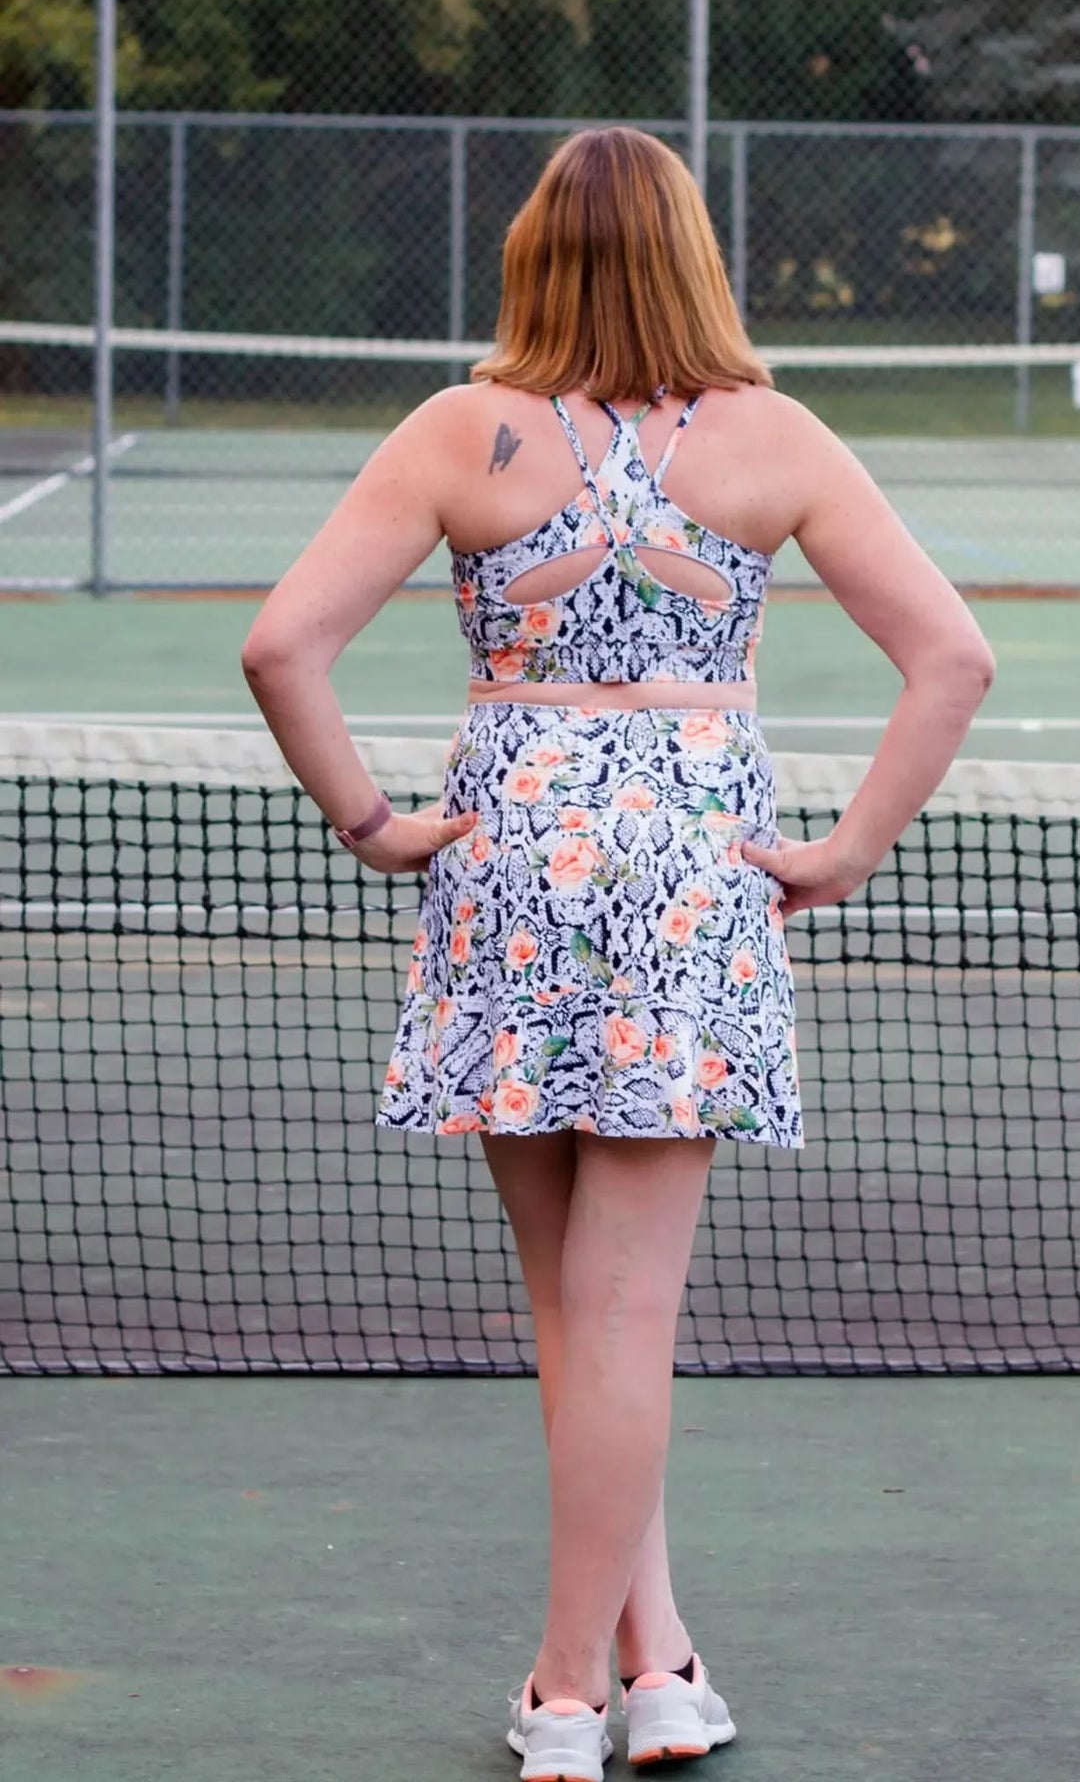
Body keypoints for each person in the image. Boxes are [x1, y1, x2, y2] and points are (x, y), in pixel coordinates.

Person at [241, 126, 995, 1780]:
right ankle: (604, 1686)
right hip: (690, 885)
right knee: (623, 1314)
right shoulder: (774, 440)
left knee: (575, 1315)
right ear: (694, 258)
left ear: (532, 258)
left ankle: (605, 1680)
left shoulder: (463, 430)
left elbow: (281, 643)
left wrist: (376, 823)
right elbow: (952, 656)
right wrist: (847, 849)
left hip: (509, 869)